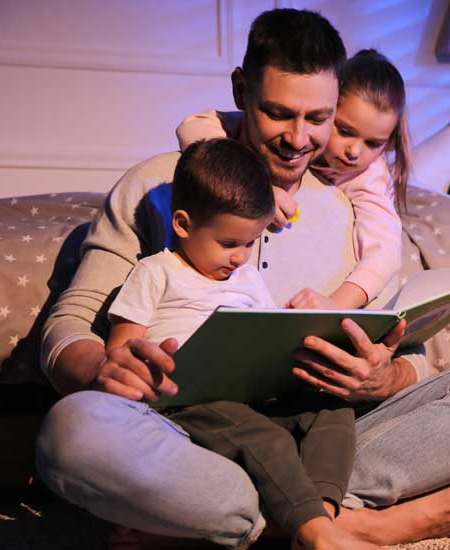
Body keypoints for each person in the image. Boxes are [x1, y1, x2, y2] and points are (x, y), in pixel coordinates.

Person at [34, 8, 450, 549]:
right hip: (185, 431)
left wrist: (383, 377)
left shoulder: (351, 206)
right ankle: (342, 524)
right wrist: (102, 369)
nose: (299, 140)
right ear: (240, 89)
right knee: (72, 433)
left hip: (312, 434)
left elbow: (403, 345)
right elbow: (67, 324)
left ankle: (261, 521)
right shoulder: (161, 185)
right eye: (278, 113)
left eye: (320, 118)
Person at [103, 138, 371, 550]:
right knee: (269, 439)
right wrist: (143, 370)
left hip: (248, 397)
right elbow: (121, 351)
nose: (240, 257)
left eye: (251, 243)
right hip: (184, 401)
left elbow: (262, 337)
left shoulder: (246, 280)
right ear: (183, 224)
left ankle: (321, 519)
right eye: (229, 243)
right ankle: (319, 535)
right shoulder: (156, 271)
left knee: (331, 410)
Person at [177, 48, 409, 311]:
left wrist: (335, 306)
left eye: (373, 143)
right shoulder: (279, 131)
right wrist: (248, 180)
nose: (354, 152)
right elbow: (193, 125)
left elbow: (385, 254)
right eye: (344, 131)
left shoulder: (368, 175)